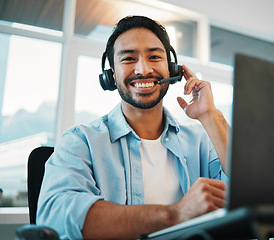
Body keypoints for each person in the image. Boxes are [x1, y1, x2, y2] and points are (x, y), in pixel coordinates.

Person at [37, 15, 229, 240]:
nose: (142, 69)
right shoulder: (81, 141)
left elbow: (252, 191)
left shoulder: (200, 141)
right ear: (111, 75)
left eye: (155, 56)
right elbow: (56, 217)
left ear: (172, 68)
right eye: (128, 59)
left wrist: (210, 115)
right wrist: (174, 215)